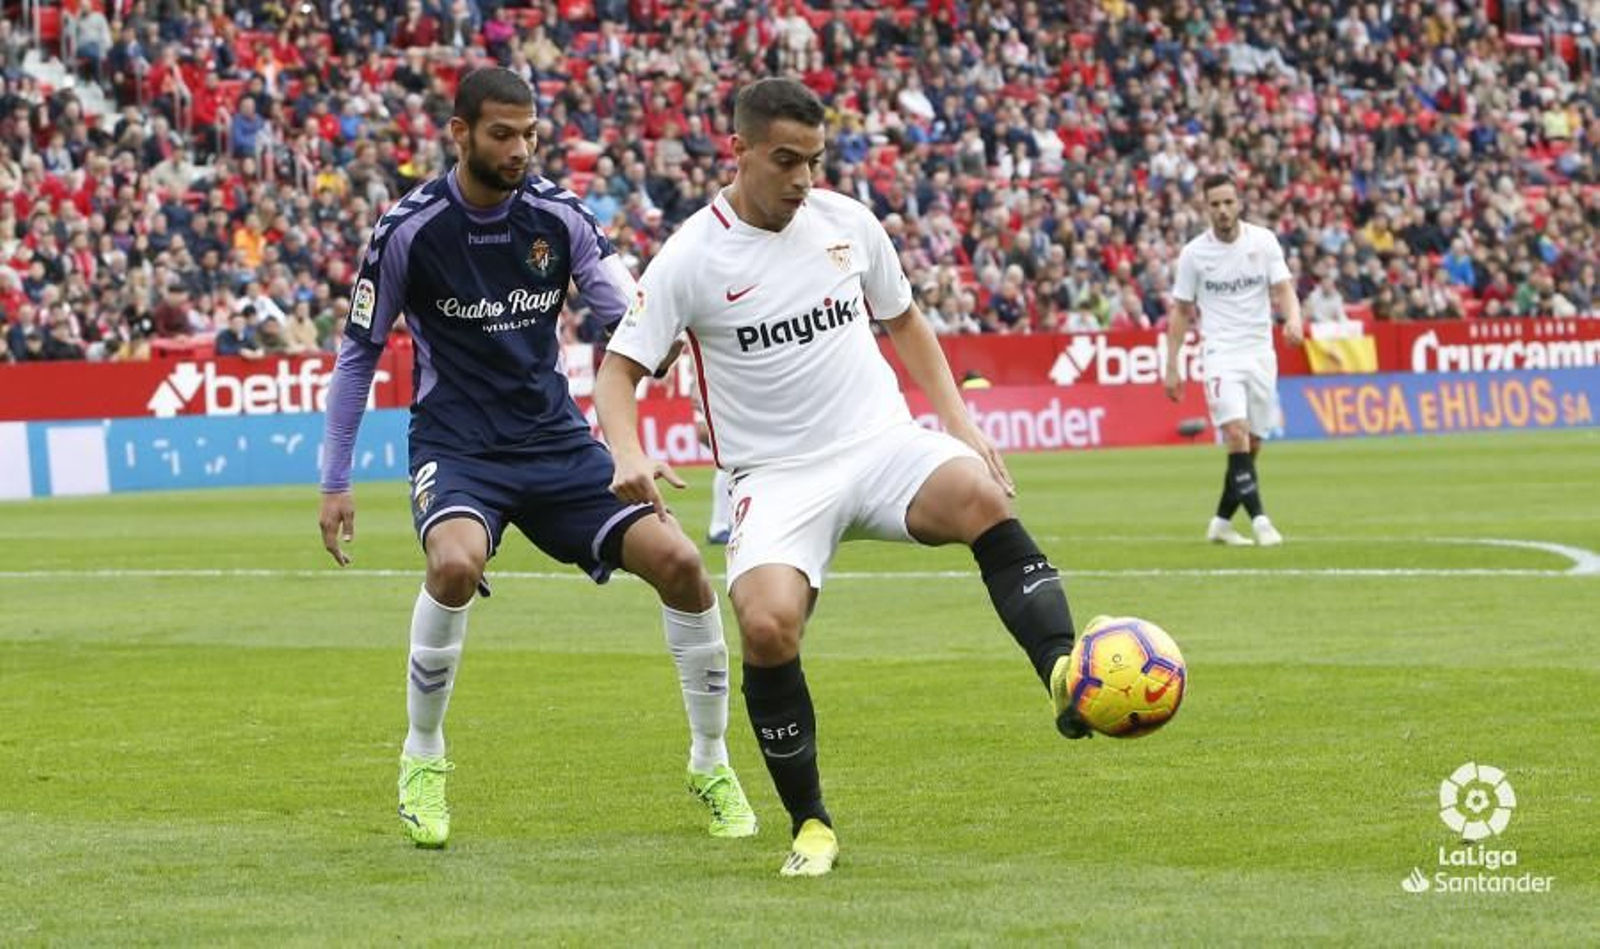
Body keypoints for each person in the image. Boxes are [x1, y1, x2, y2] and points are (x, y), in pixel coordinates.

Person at [595, 78, 1088, 879]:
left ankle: (1064, 671)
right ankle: (812, 821)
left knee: (981, 495)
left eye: (813, 161)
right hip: (775, 476)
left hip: (878, 442)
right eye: (784, 160)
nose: (800, 179)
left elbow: (904, 318)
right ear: (739, 150)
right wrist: (627, 449)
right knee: (766, 625)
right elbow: (617, 373)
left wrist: (958, 423)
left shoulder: (846, 222)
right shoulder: (691, 256)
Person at [317, 67, 756, 850]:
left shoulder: (561, 215)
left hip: (558, 445)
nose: (519, 149)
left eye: (529, 134)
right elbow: (358, 355)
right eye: (501, 134)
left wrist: (678, 377)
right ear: (459, 134)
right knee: (452, 565)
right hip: (457, 447)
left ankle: (712, 762)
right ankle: (423, 756)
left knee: (684, 562)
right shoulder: (408, 230)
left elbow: (630, 315)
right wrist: (335, 480)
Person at [1162, 174, 1304, 547]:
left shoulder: (1263, 241)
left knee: (1252, 444)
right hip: (1221, 353)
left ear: (1239, 203)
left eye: (1228, 202)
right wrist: (1172, 364)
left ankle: (1222, 523)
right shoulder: (1194, 254)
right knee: (1236, 432)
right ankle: (1261, 521)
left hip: (1260, 353)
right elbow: (1181, 311)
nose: (1223, 210)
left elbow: (1283, 288)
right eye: (1215, 204)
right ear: (1206, 208)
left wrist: (1294, 319)